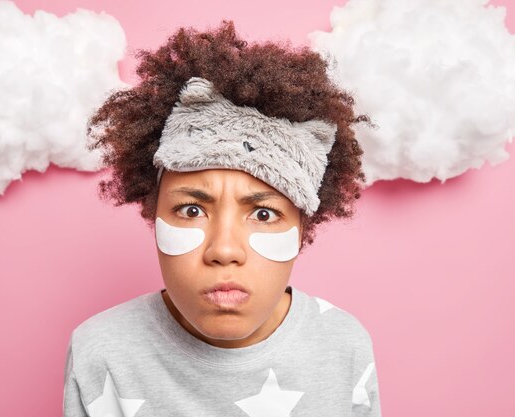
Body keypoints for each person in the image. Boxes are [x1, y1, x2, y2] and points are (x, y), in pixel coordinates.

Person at [63, 20, 381, 417]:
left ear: (302, 229)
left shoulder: (343, 345)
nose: (225, 250)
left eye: (264, 213)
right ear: (153, 212)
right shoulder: (101, 351)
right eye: (192, 210)